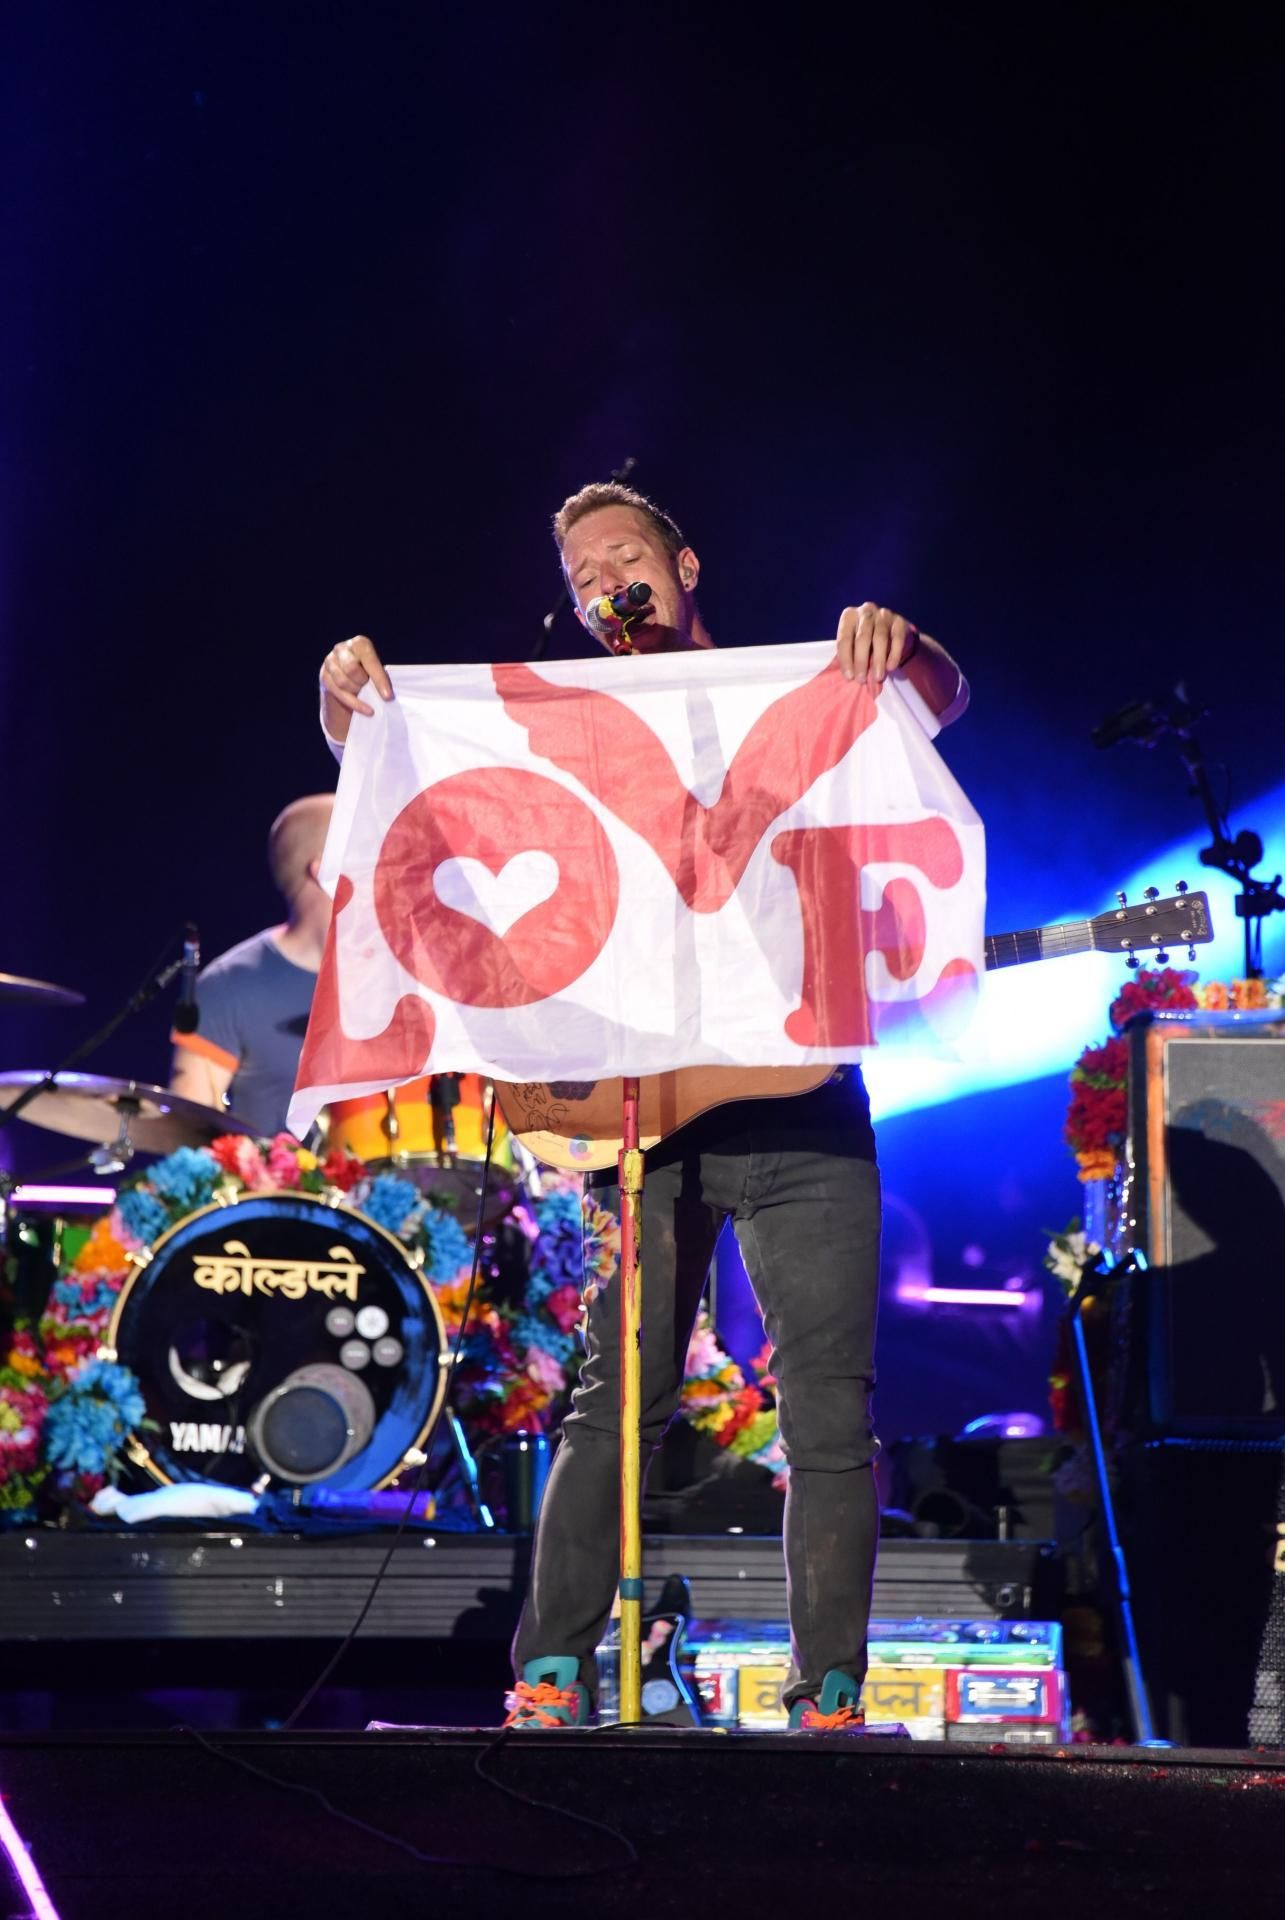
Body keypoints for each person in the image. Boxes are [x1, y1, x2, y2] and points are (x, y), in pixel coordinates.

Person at [318, 481, 968, 1731]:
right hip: (638, 1115)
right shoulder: (562, 725)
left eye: (623, 555)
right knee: (616, 1399)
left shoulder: (785, 694)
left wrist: (906, 646)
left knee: (828, 1405)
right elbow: (383, 758)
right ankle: (550, 1673)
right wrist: (342, 691)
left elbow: (932, 700)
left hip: (798, 1106)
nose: (605, 581)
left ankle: (829, 1690)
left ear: (684, 564)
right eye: (581, 577)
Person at [169, 794, 334, 1139]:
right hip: (282, 1175)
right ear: (324, 871)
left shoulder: (407, 975)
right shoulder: (227, 985)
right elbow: (189, 1134)